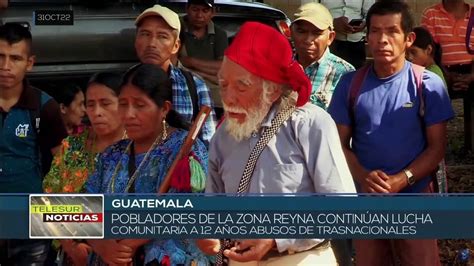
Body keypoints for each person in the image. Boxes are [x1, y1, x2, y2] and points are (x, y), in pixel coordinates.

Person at [197, 21, 356, 265]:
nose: (228, 98)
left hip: (300, 258)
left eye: (241, 85)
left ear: (270, 90)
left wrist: (276, 238)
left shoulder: (310, 124)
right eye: (224, 84)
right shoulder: (223, 136)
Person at [328, 1, 454, 265]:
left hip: (415, 198)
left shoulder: (427, 84)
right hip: (368, 199)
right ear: (367, 36)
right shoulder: (350, 84)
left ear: (408, 38)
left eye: (392, 31)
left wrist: (402, 179)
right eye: (375, 31)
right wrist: (363, 176)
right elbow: (337, 144)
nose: (382, 40)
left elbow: (437, 148)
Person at [86, 64, 210, 266]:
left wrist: (133, 240)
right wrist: (101, 244)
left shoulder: (185, 150)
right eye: (123, 104)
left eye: (140, 105)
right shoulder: (111, 155)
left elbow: (187, 210)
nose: (129, 114)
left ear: (164, 109)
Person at [0, 22, 67, 264]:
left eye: (15, 58)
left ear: (29, 62)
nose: (5, 66)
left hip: (30, 221)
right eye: (0, 56)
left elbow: (63, 169)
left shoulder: (45, 107)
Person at [43, 72, 125, 265]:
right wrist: (72, 246)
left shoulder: (141, 149)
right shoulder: (71, 148)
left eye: (105, 104)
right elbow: (48, 203)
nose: (96, 112)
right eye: (90, 104)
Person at [135, 4, 216, 145]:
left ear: (176, 46)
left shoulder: (196, 87)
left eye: (162, 36)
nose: (152, 43)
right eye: (145, 34)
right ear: (136, 41)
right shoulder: (123, 85)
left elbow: (209, 147)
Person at [292, 2, 355, 110]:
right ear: (291, 33)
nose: (308, 40)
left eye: (317, 33)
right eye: (301, 31)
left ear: (330, 37)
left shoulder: (344, 73)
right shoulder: (279, 65)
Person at [320, 0, 375, 69]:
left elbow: (370, 13)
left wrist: (364, 23)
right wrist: (332, 23)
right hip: (327, 41)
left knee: (355, 77)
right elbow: (311, 11)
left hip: (355, 42)